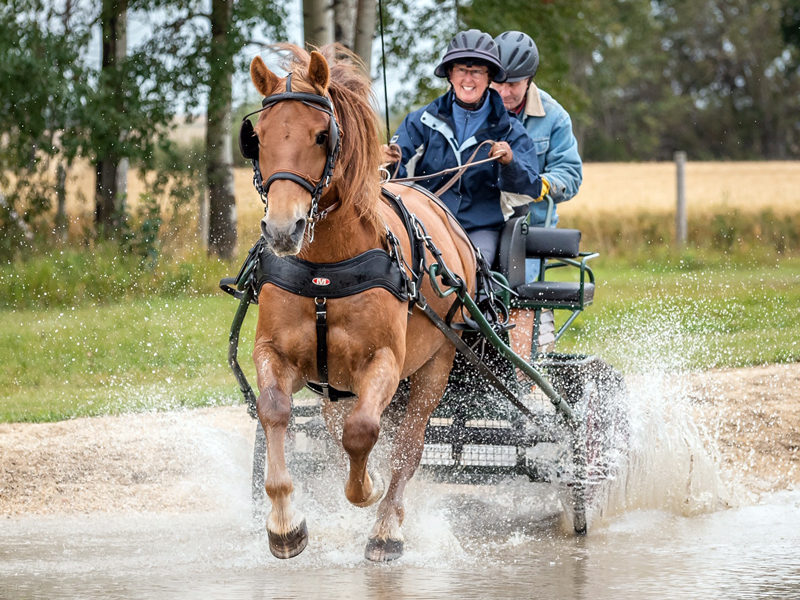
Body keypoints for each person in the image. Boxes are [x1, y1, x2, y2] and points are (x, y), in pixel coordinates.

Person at [382, 29, 541, 267]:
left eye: (477, 71)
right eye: (461, 70)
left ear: (489, 78)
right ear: (450, 74)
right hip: (424, 225)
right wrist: (386, 162)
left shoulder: (512, 131)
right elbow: (396, 178)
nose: (468, 79)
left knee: (470, 272)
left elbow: (531, 187)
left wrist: (510, 162)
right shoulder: (419, 121)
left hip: (479, 230)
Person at [492, 31, 583, 359]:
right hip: (478, 221)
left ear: (529, 80)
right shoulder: (472, 108)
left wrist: (539, 184)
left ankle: (521, 370)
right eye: (497, 83)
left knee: (514, 294)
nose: (503, 92)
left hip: (525, 232)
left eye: (512, 85)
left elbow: (571, 176)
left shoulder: (554, 118)